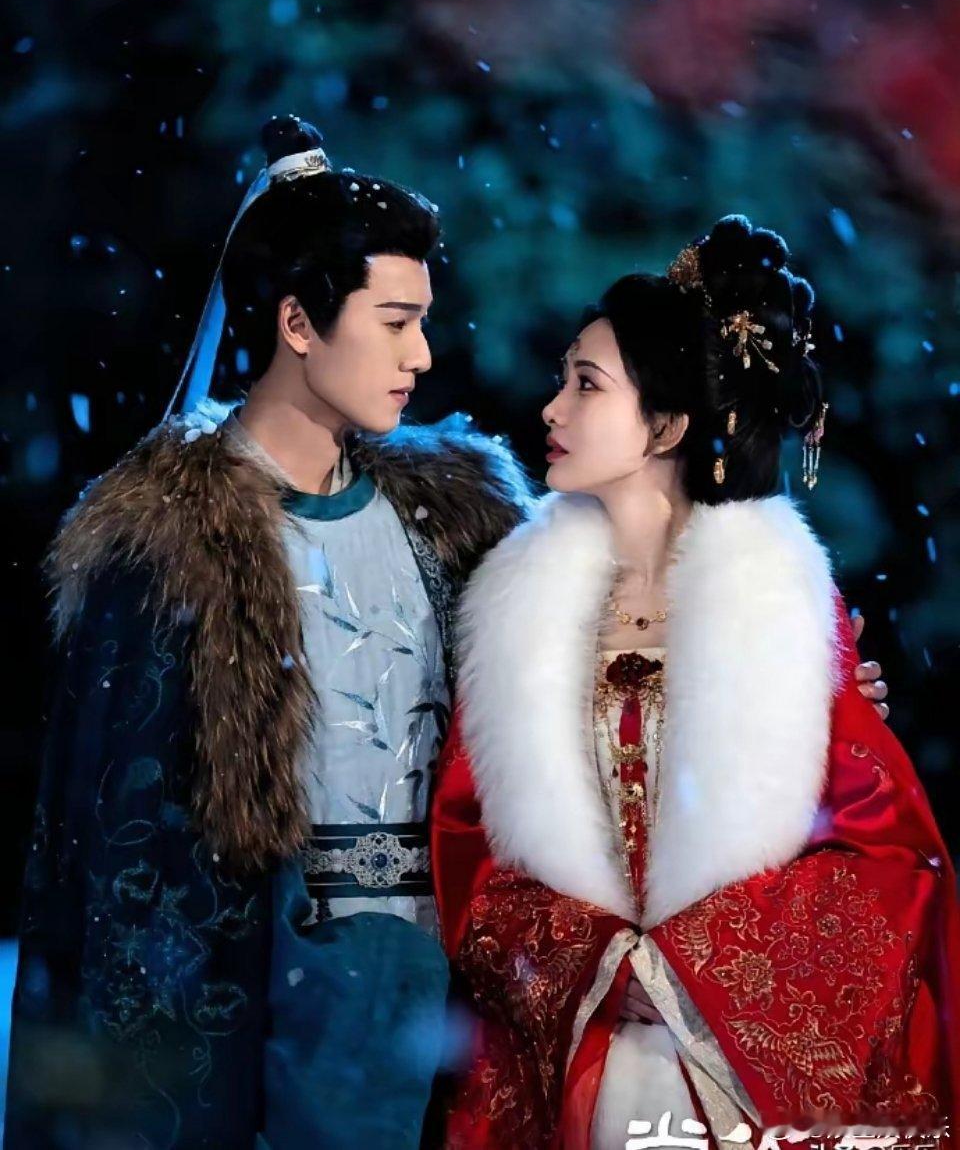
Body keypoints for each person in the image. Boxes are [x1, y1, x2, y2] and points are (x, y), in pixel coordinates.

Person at [4, 115, 533, 1150]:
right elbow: (122, 854)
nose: (422, 354)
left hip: (434, 1007)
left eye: (423, 322)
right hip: (251, 1002)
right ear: (299, 321)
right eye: (395, 321)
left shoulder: (454, 520)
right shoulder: (166, 544)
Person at [431, 214, 959, 1150]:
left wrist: (691, 963)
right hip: (570, 1060)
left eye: (586, 384)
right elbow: (468, 840)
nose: (551, 409)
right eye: (562, 379)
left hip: (727, 1078)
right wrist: (597, 961)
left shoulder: (781, 611)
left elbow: (888, 860)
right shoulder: (518, 616)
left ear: (669, 425)